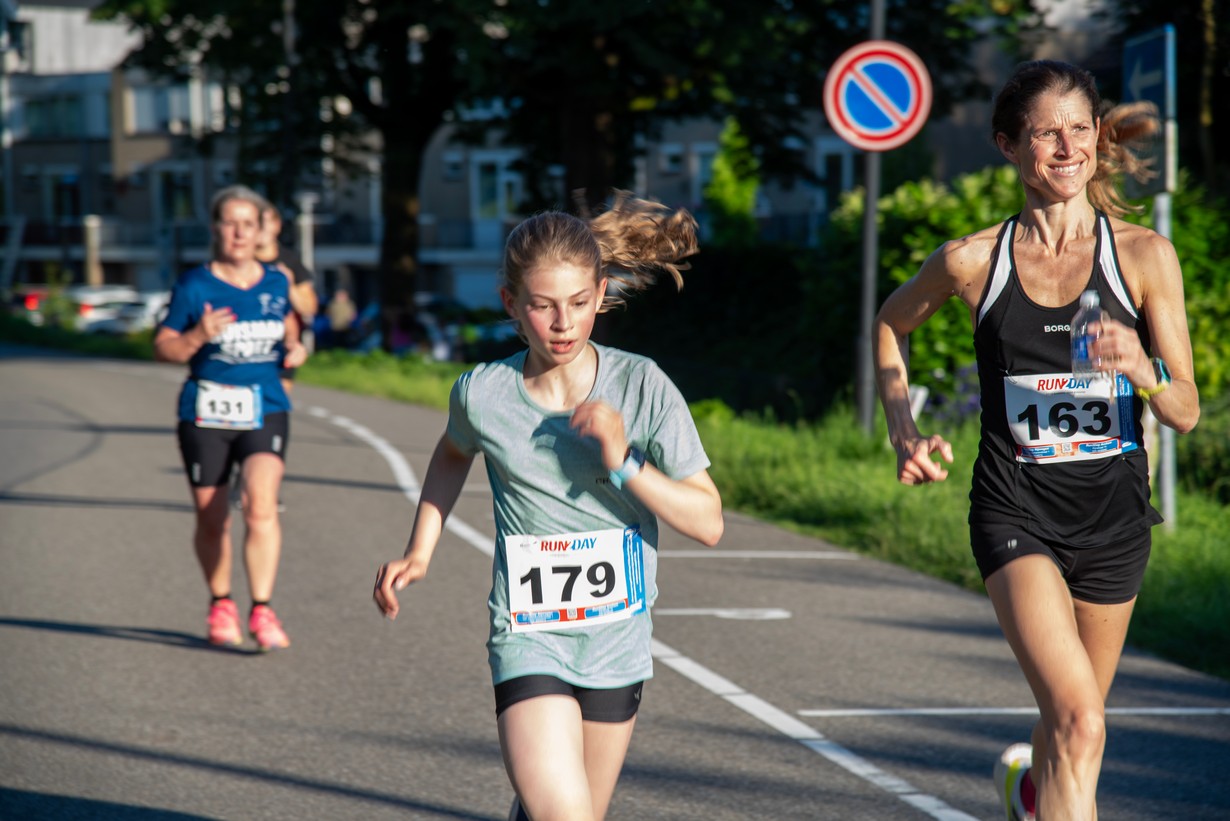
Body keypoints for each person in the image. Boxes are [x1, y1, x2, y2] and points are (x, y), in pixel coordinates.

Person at [873, 60, 1199, 821]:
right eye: (1046, 133)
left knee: (1070, 727)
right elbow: (890, 322)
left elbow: (1184, 410)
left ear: (1097, 137)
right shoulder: (971, 260)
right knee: (1081, 720)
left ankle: (1031, 793)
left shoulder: (1145, 255)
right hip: (1016, 512)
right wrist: (902, 430)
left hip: (1115, 522)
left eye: (1079, 129)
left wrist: (1144, 370)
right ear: (1008, 145)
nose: (1066, 147)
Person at [373, 192, 724, 821]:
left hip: (616, 643)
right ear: (511, 303)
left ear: (602, 293)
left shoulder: (642, 386)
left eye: (579, 303)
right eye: (542, 305)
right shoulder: (483, 393)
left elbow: (709, 523)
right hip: (528, 635)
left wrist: (624, 459)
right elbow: (452, 453)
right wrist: (419, 551)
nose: (563, 323)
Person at [154, 184, 309, 652]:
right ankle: (221, 602)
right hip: (205, 413)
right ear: (215, 228)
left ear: (262, 231)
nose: (240, 233)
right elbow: (163, 347)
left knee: (261, 503)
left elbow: (290, 326)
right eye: (230, 223)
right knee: (213, 517)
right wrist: (197, 335)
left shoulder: (277, 281)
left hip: (265, 407)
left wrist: (294, 347)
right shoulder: (194, 285)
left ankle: (262, 608)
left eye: (248, 224)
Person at [255, 203, 319, 394]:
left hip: (283, 343)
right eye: (256, 222)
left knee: (276, 399)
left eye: (266, 222)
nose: (261, 228)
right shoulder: (240, 261)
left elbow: (309, 308)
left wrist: (288, 285)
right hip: (246, 340)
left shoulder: (290, 261)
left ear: (277, 225)